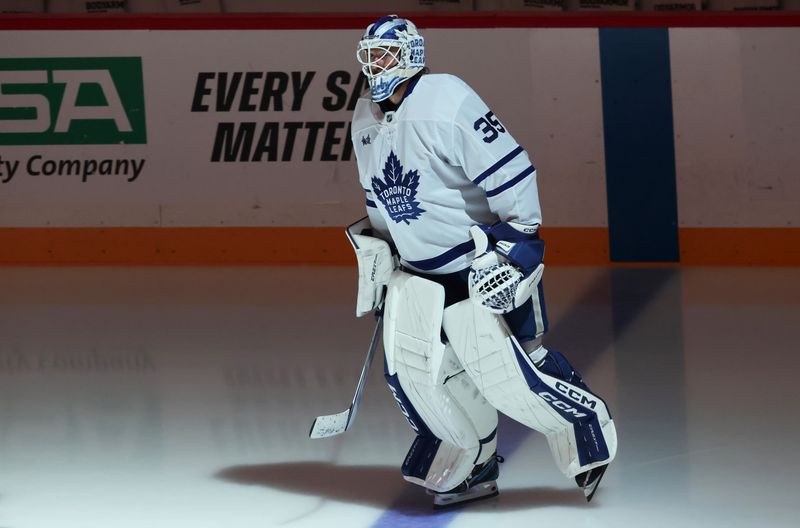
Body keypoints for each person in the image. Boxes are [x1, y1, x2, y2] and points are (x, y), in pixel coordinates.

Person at [347, 14, 617, 508]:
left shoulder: (446, 98)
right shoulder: (364, 117)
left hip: (475, 266)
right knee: (413, 376)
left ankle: (586, 434)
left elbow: (510, 172)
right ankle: (474, 461)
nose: (373, 65)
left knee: (507, 375)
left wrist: (517, 241)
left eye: (383, 55)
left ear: (410, 56)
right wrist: (380, 252)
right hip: (417, 276)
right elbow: (376, 201)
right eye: (369, 56)